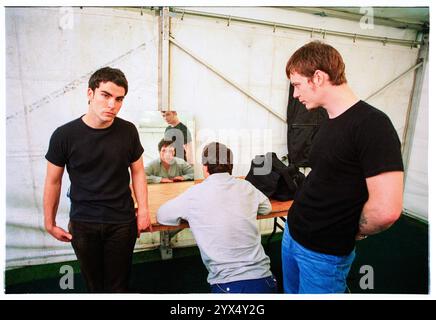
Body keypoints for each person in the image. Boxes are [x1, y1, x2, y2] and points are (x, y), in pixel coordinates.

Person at [282, 41, 404, 294]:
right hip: (293, 235)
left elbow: (386, 211)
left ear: (318, 77)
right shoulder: (329, 119)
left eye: (297, 85)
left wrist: (350, 229)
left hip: (323, 252)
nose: (295, 94)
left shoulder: (373, 125)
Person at [43, 67, 151, 293]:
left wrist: (143, 211)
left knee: (118, 286)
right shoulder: (64, 135)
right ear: (90, 93)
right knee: (94, 286)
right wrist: (49, 222)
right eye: (106, 95)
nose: (113, 105)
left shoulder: (128, 131)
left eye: (119, 99)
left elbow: (138, 172)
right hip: (84, 222)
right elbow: (53, 181)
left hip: (121, 221)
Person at [157, 142, 278, 293]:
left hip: (228, 285)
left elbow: (162, 216)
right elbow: (267, 208)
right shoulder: (246, 187)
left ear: (205, 167)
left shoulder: (194, 194)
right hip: (265, 280)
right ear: (231, 166)